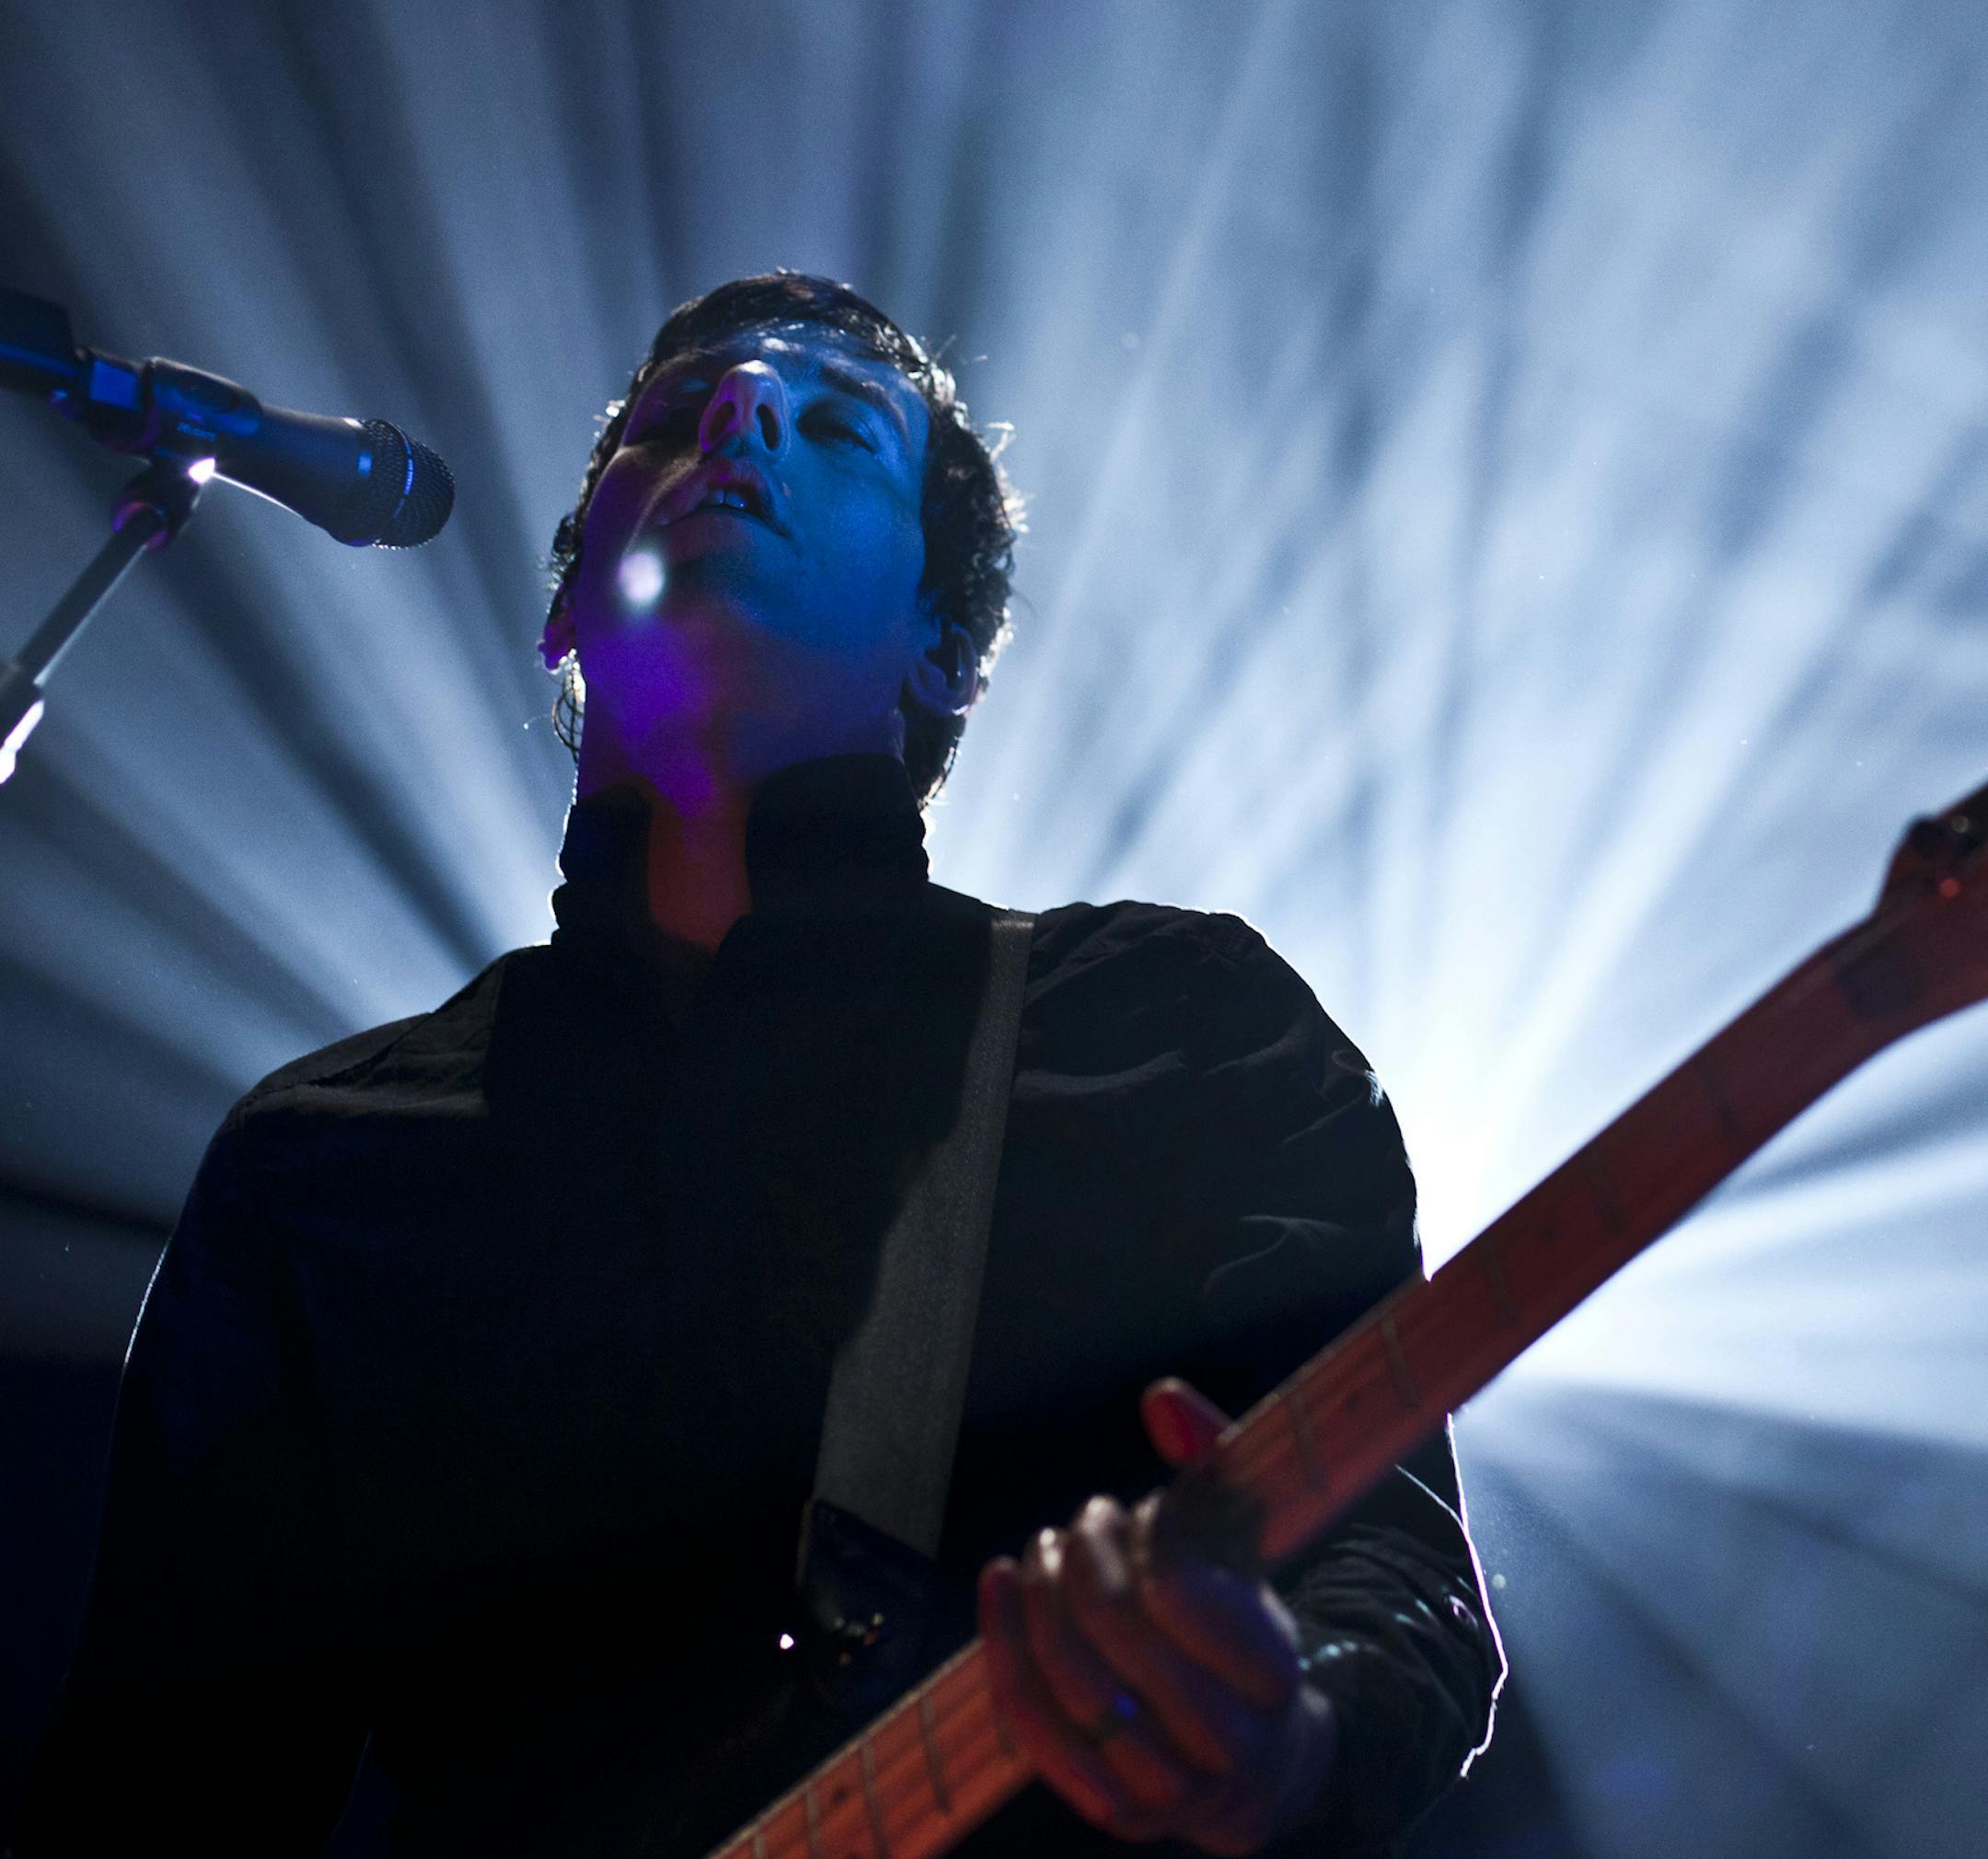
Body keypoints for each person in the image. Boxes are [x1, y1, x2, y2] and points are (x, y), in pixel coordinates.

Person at [16, 274, 1502, 1857]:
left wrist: (1279, 1739)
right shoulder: (319, 1163)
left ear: (944, 651)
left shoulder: (1175, 1025)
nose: (738, 416)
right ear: (563, 614)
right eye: (674, 417)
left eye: (841, 429)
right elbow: (155, 1806)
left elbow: (1396, 1569)